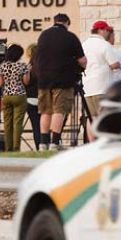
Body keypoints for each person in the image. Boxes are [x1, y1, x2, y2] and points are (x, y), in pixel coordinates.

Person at [35, 13, 87, 151]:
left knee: (45, 111)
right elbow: (82, 60)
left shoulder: (43, 36)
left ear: (55, 22)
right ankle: (55, 142)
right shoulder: (70, 37)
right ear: (67, 23)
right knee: (59, 110)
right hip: (63, 80)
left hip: (44, 80)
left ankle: (42, 143)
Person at [82, 21, 121, 141]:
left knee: (91, 118)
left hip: (87, 87)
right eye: (107, 30)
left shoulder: (84, 44)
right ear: (101, 30)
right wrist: (118, 64)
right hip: (102, 87)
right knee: (104, 116)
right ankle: (104, 142)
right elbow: (114, 64)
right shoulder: (104, 45)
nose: (108, 33)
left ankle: (92, 142)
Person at [0, 44, 30, 152]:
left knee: (7, 123)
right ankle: (16, 147)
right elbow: (26, 82)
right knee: (17, 123)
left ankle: (8, 147)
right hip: (19, 95)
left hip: (6, 95)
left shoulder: (2, 66)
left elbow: (0, 83)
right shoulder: (22, 66)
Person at [24, 43, 41, 150]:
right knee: (45, 126)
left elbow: (26, 82)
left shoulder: (28, 67)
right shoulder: (44, 67)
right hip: (43, 99)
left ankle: (38, 147)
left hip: (30, 99)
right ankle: (45, 145)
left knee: (36, 127)